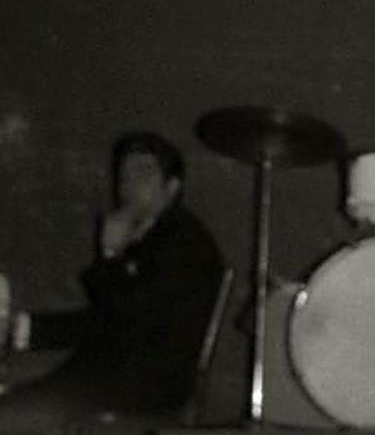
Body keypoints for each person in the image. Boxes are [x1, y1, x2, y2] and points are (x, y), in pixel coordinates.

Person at [0, 131, 225, 433]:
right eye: (123, 176)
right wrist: (24, 330)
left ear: (172, 187)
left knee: (12, 416)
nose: (129, 185)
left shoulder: (185, 245)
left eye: (143, 173)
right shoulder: (148, 234)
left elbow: (123, 319)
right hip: (108, 374)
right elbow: (113, 317)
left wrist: (109, 255)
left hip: (142, 385)